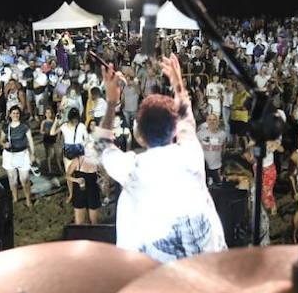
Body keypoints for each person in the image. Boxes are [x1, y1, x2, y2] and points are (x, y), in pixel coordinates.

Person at [93, 55, 226, 262]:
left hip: (158, 283)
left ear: (139, 136)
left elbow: (102, 145)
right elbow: (187, 121)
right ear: (174, 130)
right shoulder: (191, 153)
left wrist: (111, 102)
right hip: (209, 273)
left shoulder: (133, 168)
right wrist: (178, 86)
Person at [0, 106, 36, 208]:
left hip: (22, 154)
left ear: (20, 115)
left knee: (24, 179)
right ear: (10, 115)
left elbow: (30, 140)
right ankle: (15, 197)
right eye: (14, 113)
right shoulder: (6, 126)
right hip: (9, 155)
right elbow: (1, 139)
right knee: (12, 179)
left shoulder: (24, 126)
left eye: (17, 113)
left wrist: (32, 153)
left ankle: (28, 199)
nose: (15, 115)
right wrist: (4, 144)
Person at [196, 110, 229, 184]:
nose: (212, 122)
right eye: (210, 120)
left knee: (218, 188)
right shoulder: (199, 134)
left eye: (214, 120)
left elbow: (223, 149)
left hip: (217, 167)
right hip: (203, 167)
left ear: (217, 122)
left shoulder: (222, 134)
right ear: (206, 122)